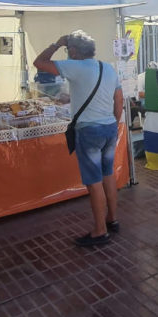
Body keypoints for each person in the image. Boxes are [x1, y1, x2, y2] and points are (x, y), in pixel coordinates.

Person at [34, 30, 123, 247]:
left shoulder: (75, 66)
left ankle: (100, 231)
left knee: (94, 183)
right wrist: (112, 121)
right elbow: (118, 99)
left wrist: (56, 42)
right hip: (110, 127)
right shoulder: (107, 67)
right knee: (108, 175)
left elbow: (39, 62)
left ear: (73, 51)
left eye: (68, 49)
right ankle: (112, 219)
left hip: (89, 131)